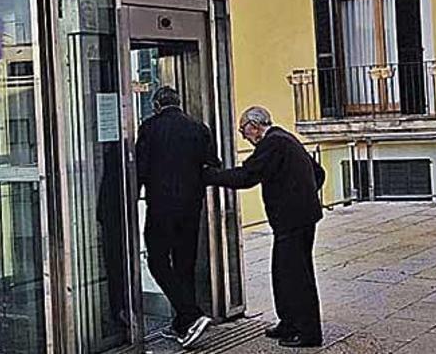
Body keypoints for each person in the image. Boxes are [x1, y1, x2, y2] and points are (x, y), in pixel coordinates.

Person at [203, 106, 324, 348]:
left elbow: (247, 176)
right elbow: (319, 173)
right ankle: (289, 322)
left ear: (255, 126)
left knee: (296, 276)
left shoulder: (272, 143)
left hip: (292, 219)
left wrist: (210, 176)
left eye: (243, 130)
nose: (243, 136)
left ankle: (309, 332)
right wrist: (302, 193)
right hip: (299, 217)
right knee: (284, 272)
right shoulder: (285, 138)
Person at [136, 86, 219, 348]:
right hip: (191, 207)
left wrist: (130, 199)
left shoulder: (149, 128)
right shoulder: (199, 128)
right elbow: (212, 165)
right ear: (179, 103)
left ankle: (191, 314)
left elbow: (140, 168)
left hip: (161, 207)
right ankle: (183, 324)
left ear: (157, 105)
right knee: (185, 262)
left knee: (157, 260)